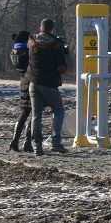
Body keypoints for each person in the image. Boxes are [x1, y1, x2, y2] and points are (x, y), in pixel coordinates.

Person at [27, 18, 70, 155]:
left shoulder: (32, 43)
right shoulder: (56, 46)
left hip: (33, 82)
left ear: (41, 28)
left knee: (36, 115)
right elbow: (62, 69)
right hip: (49, 84)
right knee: (58, 111)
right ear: (53, 29)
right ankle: (55, 142)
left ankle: (37, 146)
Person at [9, 31, 33, 152]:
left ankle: (15, 140)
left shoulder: (14, 52)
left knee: (24, 112)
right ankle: (27, 142)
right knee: (35, 113)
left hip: (23, 82)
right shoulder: (28, 52)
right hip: (32, 82)